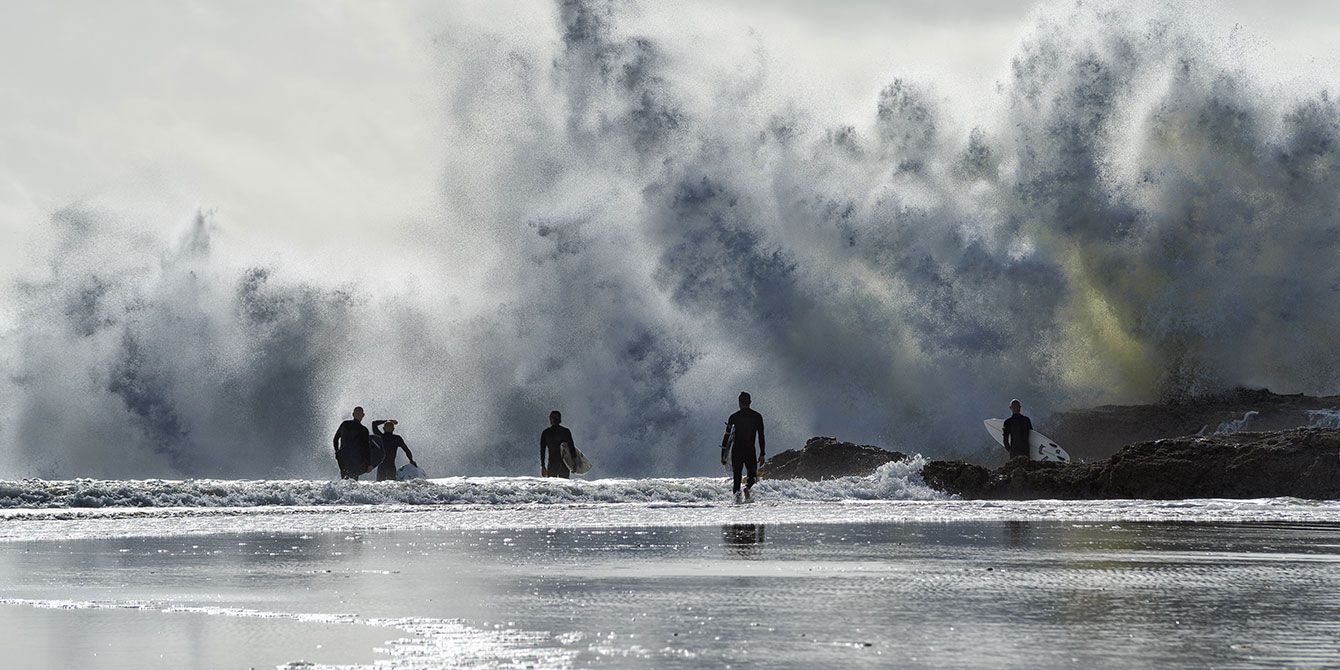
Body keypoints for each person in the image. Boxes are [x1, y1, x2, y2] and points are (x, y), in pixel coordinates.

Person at [723, 391, 766, 503]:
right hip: (750, 451)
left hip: (737, 452)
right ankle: (747, 489)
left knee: (737, 479)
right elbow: (761, 436)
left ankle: (737, 503)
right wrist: (762, 454)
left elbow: (727, 437)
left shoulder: (733, 417)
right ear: (750, 402)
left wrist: (723, 455)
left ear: (739, 403)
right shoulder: (757, 416)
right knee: (752, 477)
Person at [333, 406, 370, 480]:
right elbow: (336, 439)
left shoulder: (363, 429)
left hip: (350, 457)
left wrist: (368, 463)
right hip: (347, 456)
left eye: (360, 413)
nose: (358, 415)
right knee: (350, 478)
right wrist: (337, 452)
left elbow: (366, 448)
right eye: (357, 413)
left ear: (363, 415)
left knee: (347, 478)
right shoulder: (345, 424)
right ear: (353, 414)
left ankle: (342, 491)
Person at [539, 410, 576, 479]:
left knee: (553, 487)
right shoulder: (566, 431)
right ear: (560, 420)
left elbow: (542, 451)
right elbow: (571, 447)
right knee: (564, 486)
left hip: (553, 464)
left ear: (550, 419)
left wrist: (543, 466)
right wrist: (574, 462)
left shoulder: (546, 433)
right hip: (564, 463)